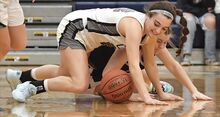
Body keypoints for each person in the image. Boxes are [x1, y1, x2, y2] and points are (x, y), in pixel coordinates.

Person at [6, 1, 211, 105]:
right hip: (75, 28)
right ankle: (31, 86)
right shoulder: (135, 27)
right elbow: (134, 65)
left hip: (97, 41)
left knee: (66, 73)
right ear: (148, 16)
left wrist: (180, 91)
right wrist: (147, 97)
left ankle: (19, 76)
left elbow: (155, 65)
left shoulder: (150, 32)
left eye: (162, 29)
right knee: (79, 83)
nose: (158, 31)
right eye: (156, 25)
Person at [176, 0, 220, 66]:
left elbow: (211, 5)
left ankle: (210, 58)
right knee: (189, 21)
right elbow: (180, 7)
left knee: (211, 21)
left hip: (202, 13)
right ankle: (186, 57)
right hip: (185, 12)